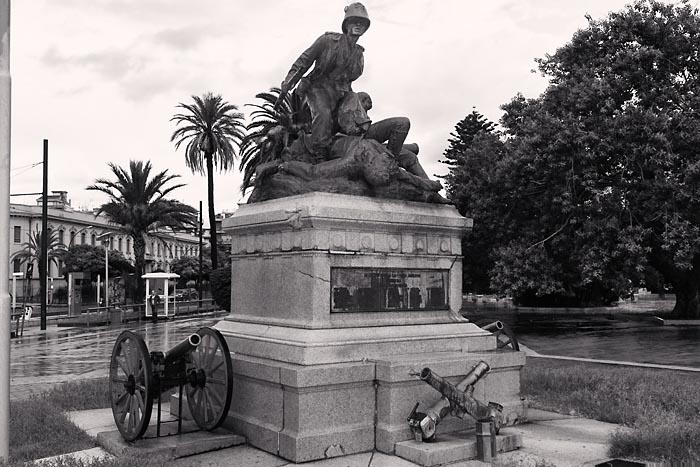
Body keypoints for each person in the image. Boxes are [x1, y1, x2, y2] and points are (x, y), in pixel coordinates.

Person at [275, 2, 370, 159]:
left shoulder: (359, 55)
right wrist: (288, 83)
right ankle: (318, 154)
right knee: (324, 115)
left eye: (362, 23)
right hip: (318, 87)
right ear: (346, 24)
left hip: (341, 92)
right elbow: (303, 62)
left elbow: (351, 78)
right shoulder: (327, 41)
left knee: (357, 116)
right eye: (354, 21)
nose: (358, 25)